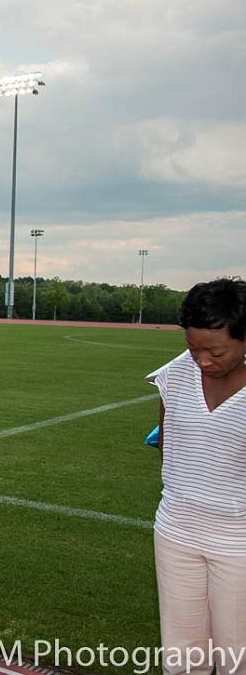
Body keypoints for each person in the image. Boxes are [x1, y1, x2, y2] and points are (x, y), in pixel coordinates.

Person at [151, 278, 246, 675]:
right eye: (194, 348)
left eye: (216, 350)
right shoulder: (175, 375)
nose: (204, 360)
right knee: (182, 655)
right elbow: (166, 437)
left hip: (239, 543)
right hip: (176, 532)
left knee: (235, 656)